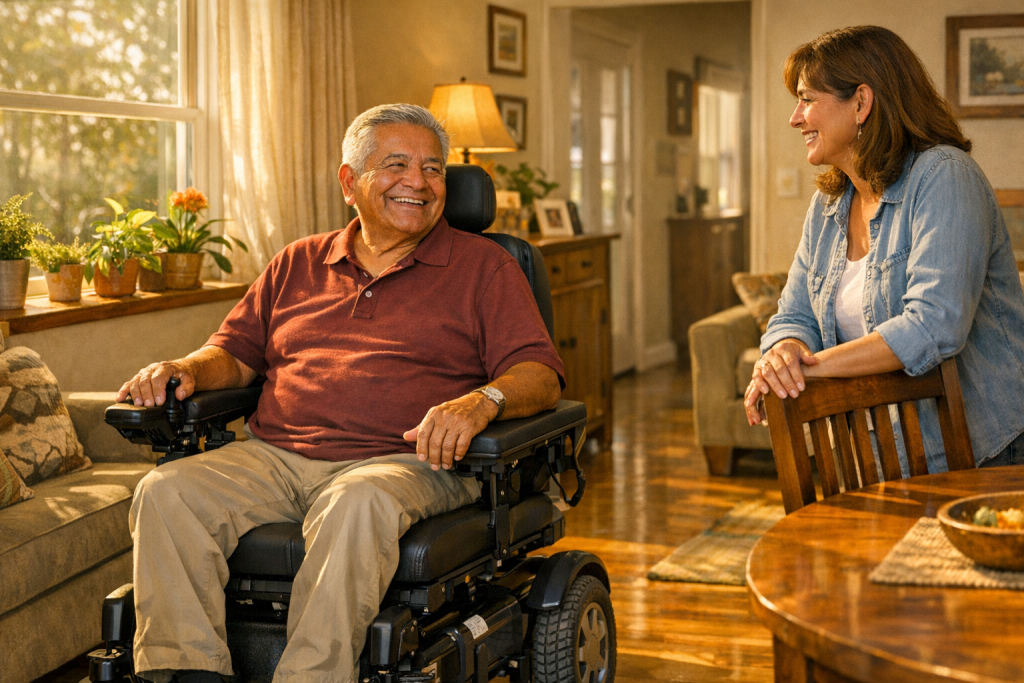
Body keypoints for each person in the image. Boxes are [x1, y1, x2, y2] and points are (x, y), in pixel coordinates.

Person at [118, 103, 564, 683]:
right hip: (276, 456)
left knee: (356, 503)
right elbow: (232, 353)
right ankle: (186, 674)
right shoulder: (298, 261)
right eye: (396, 164)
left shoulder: (486, 267)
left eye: (433, 170)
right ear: (349, 182)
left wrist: (483, 402)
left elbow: (540, 371)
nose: (418, 182)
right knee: (167, 491)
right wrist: (186, 368)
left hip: (404, 460)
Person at [743, 26, 1024, 471]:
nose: (795, 118)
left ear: (860, 102)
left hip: (982, 451)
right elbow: (794, 315)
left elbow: (934, 325)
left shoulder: (944, 176)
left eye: (807, 99)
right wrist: (781, 351)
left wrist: (808, 369)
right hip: (879, 453)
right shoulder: (828, 205)